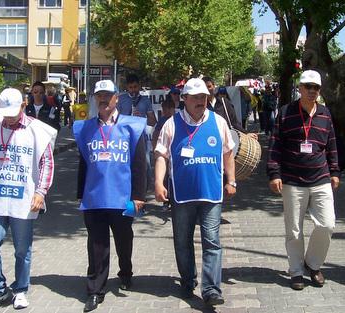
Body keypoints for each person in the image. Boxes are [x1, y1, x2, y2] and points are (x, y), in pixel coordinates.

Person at [0, 88, 57, 310]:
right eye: (4, 112)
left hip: (24, 198)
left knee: (22, 249)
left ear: (23, 105)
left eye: (12, 111)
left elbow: (46, 163)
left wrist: (41, 191)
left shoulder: (38, 131)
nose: (7, 116)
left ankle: (20, 289)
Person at [154, 78, 236, 306]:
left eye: (204, 97)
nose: (201, 101)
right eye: (196, 98)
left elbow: (228, 152)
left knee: (212, 241)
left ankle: (211, 289)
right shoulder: (171, 124)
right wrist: (158, 183)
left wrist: (232, 180)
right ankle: (188, 280)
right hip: (182, 194)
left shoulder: (218, 122)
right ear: (185, 100)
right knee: (182, 241)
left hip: (211, 193)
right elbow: (161, 155)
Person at [73, 80, 147, 312]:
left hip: (122, 197)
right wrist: (80, 193)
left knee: (124, 241)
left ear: (117, 98)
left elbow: (140, 165)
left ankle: (125, 271)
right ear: (95, 99)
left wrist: (138, 195)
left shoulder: (131, 127)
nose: (103, 99)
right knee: (97, 246)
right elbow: (83, 163)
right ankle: (95, 290)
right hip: (94, 197)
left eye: (107, 95)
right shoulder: (85, 128)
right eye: (99, 96)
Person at [267, 70, 340, 291]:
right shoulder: (286, 113)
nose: (311, 91)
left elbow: (332, 145)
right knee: (294, 230)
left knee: (327, 225)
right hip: (292, 181)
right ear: (300, 88)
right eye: (307, 86)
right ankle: (296, 271)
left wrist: (335, 171)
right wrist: (274, 173)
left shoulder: (326, 114)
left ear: (319, 90)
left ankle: (313, 263)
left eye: (315, 87)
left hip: (321, 179)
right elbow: (275, 145)